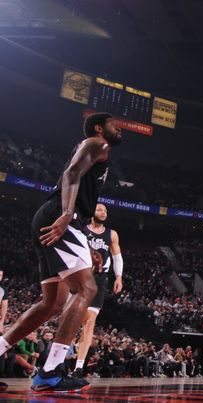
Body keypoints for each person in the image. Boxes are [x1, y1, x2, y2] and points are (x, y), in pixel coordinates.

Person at [0, 112, 120, 392]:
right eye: (114, 125)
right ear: (100, 128)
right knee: (86, 289)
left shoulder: (91, 147)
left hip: (51, 218)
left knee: (51, 304)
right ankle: (50, 370)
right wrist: (67, 214)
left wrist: (87, 244)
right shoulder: (96, 143)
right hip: (60, 217)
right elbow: (71, 174)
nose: (120, 129)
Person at [74, 203, 124, 377]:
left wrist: (118, 277)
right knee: (75, 321)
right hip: (79, 276)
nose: (103, 212)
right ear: (91, 212)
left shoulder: (111, 234)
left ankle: (79, 367)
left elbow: (117, 257)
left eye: (105, 211)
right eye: (99, 209)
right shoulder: (81, 230)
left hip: (99, 279)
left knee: (89, 322)